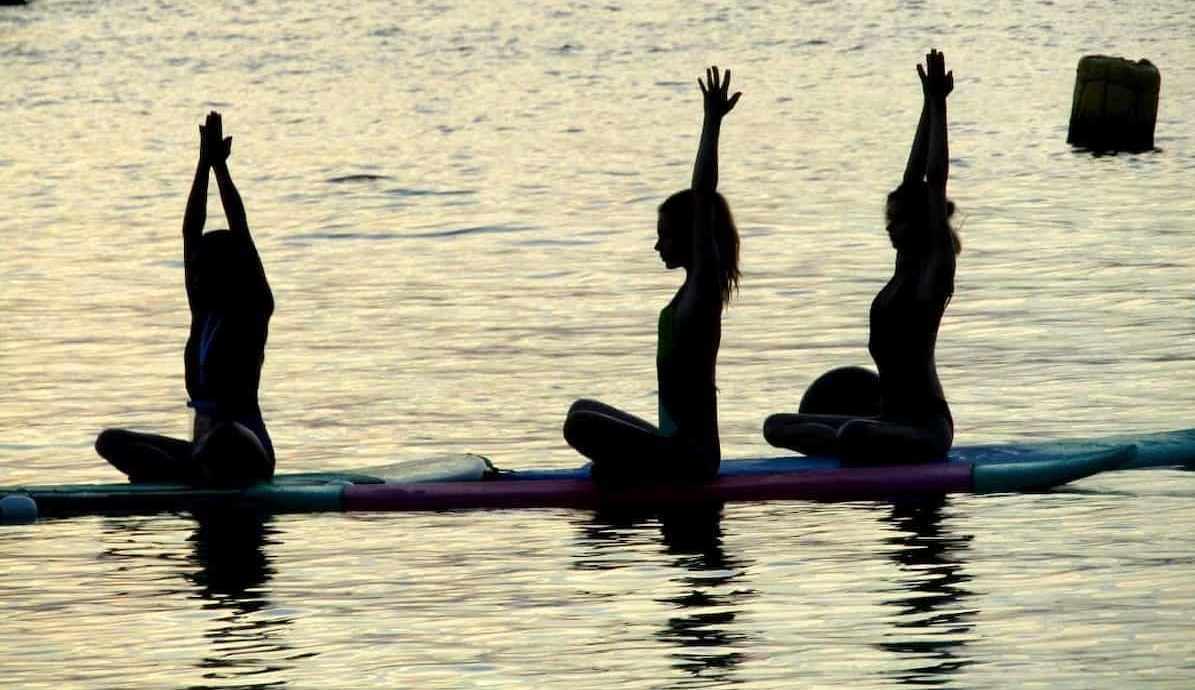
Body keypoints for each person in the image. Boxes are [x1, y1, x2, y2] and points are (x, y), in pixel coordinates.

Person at [763, 50, 961, 464]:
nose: (889, 227)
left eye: (897, 222)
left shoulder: (931, 276)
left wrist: (941, 108)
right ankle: (849, 443)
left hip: (926, 428)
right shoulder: (902, 270)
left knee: (853, 431)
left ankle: (852, 443)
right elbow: (913, 177)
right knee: (775, 426)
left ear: (920, 225)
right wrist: (926, 102)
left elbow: (934, 180)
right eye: (889, 219)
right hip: (886, 420)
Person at [563, 67, 742, 487]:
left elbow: (702, 195)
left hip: (693, 458)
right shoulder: (687, 293)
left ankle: (635, 472)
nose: (657, 246)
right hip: (673, 443)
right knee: (581, 409)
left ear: (690, 238)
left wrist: (711, 123)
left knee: (580, 426)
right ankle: (633, 467)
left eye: (664, 236)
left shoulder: (703, 291)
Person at [95, 112, 276, 486]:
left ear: (224, 272)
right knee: (109, 441)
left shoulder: (253, 308)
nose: (192, 274)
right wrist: (203, 162)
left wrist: (222, 172)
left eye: (200, 269)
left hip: (247, 449)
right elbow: (189, 230)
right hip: (199, 453)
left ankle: (185, 473)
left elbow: (240, 229)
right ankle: (189, 473)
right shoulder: (203, 311)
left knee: (223, 437)